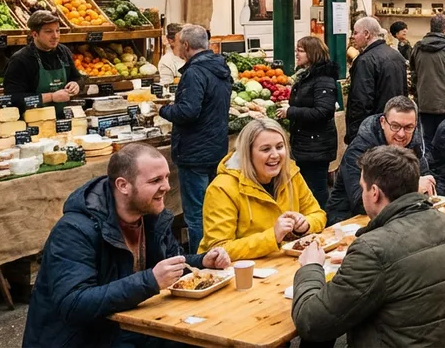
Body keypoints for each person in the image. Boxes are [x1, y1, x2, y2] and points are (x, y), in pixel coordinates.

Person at [23, 144, 230, 347]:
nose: (166, 186)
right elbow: (73, 304)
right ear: (123, 185)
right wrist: (150, 281)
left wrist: (202, 261)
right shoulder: (74, 230)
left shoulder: (152, 216)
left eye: (166, 177)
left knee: (210, 334)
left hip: (129, 326)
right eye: (155, 180)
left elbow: (170, 262)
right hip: (84, 338)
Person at [292, 146, 445, 347]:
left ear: (374, 192)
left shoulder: (373, 249)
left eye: (362, 187)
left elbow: (312, 322)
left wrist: (310, 268)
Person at [200, 119, 327, 259]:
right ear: (247, 154)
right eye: (265, 149)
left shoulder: (291, 174)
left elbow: (318, 214)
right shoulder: (222, 188)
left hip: (282, 263)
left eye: (279, 147)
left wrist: (306, 225)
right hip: (239, 273)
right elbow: (219, 250)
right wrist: (273, 236)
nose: (275, 155)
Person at [157, 24, 231, 251]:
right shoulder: (220, 67)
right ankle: (219, 249)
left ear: (186, 45)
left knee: (197, 213)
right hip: (215, 148)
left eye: (178, 42)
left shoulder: (194, 72)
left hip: (195, 152)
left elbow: (187, 112)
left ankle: (203, 258)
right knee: (214, 208)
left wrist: (163, 110)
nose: (177, 46)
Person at [325, 96, 434, 225]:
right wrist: (414, 189)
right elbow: (360, 202)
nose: (401, 134)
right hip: (348, 221)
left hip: (396, 218)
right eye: (395, 126)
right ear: (383, 122)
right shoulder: (359, 150)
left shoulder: (413, 143)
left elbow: (426, 181)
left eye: (408, 127)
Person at [275, 35, 339, 209]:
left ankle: (323, 222)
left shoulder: (323, 79)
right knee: (308, 187)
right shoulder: (309, 76)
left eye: (300, 50)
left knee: (316, 189)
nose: (297, 54)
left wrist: (291, 111)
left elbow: (323, 111)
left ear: (312, 53)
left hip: (316, 145)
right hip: (307, 143)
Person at [3, 10, 83, 119]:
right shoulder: (20, 59)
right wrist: (51, 97)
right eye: (49, 31)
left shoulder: (63, 51)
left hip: (62, 120)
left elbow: (78, 78)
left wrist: (76, 84)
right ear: (35, 34)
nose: (55, 36)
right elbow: (13, 98)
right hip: (34, 123)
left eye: (58, 31)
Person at [345, 17, 408, 144]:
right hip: (394, 125)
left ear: (367, 34)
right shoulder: (396, 55)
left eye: (356, 33)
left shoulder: (365, 60)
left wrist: (355, 135)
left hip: (372, 130)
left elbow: (361, 101)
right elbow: (404, 92)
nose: (353, 37)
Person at [410, 14, 445, 144]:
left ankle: (429, 164)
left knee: (427, 141)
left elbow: (413, 76)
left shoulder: (417, 47)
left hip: (424, 104)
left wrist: (417, 96)